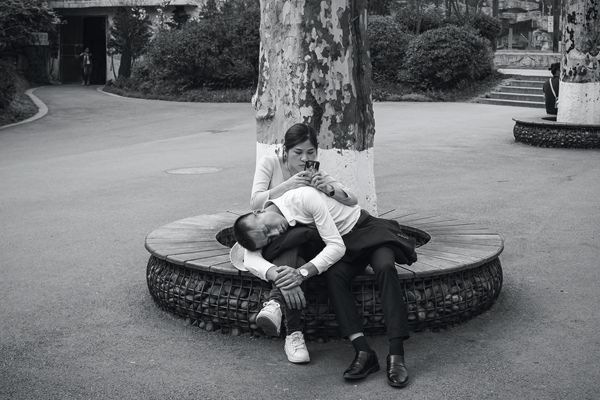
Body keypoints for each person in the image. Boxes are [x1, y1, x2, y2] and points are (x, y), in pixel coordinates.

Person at [234, 186, 417, 388]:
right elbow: (249, 258)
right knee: (334, 276)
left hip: (367, 231)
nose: (276, 233)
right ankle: (364, 352)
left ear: (259, 211)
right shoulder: (259, 228)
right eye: (269, 237)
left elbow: (335, 247)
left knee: (385, 267)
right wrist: (280, 277)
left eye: (268, 230)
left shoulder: (304, 197)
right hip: (347, 246)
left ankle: (397, 353)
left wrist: (300, 273)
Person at [244, 123, 358, 364]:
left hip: (306, 237)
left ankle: (276, 305)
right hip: (275, 231)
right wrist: (290, 185)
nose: (304, 158)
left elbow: (351, 198)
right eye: (298, 152)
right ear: (285, 151)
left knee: (297, 239)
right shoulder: (270, 163)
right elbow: (255, 203)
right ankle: (293, 332)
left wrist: (328, 189)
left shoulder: (313, 172)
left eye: (310, 153)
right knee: (290, 245)